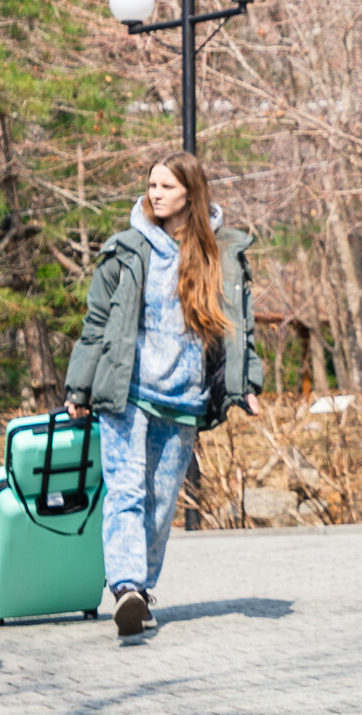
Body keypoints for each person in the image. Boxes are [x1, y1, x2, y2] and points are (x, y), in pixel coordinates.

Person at [64, 152, 262, 637]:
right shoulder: (128, 250)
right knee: (126, 491)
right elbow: (96, 323)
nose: (155, 194)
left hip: (185, 397)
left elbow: (241, 328)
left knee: (160, 501)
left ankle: (142, 590)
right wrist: (80, 386)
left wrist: (246, 386)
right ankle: (126, 587)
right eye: (152, 185)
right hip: (127, 392)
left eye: (167, 187)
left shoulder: (220, 253)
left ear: (191, 194)